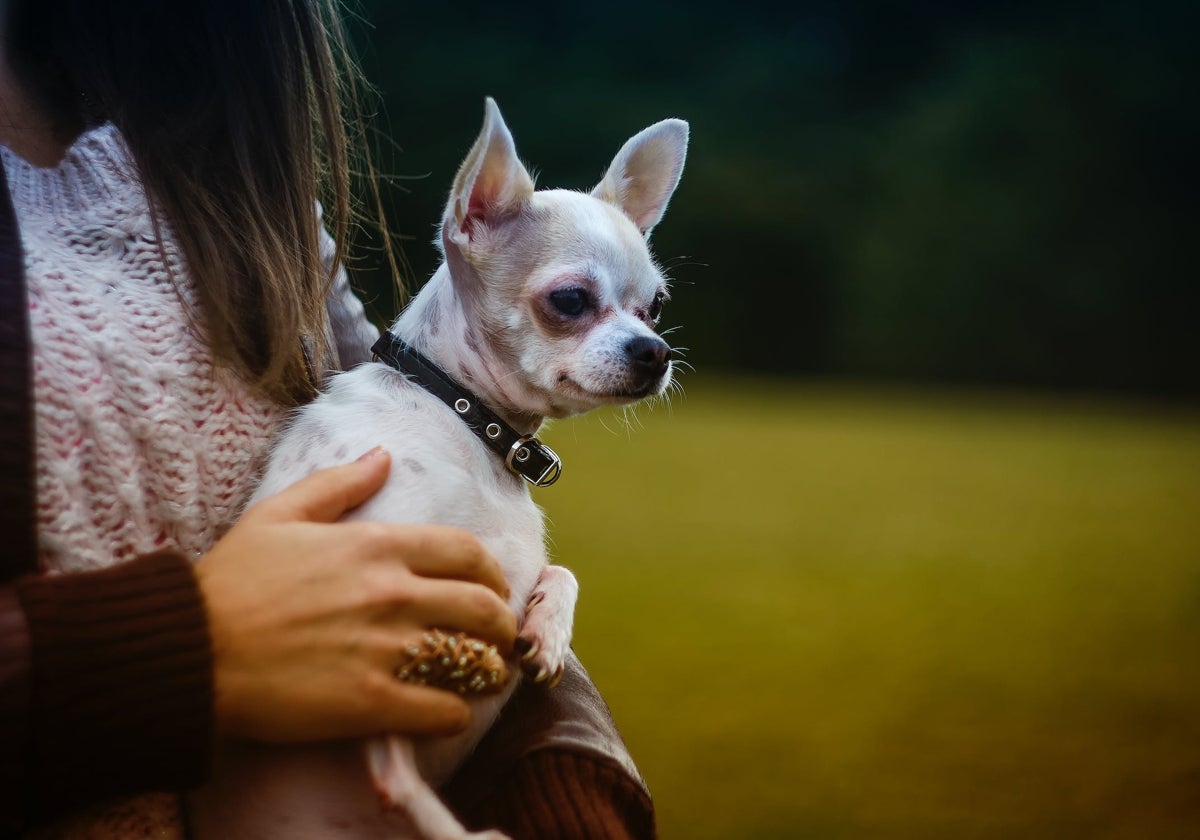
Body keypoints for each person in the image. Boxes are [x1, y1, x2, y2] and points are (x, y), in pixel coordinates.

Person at [0, 1, 654, 837]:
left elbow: (460, 576)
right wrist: (181, 650)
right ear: (472, 221)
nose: (643, 342)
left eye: (648, 308)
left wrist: (568, 786)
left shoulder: (227, 155)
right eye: (571, 303)